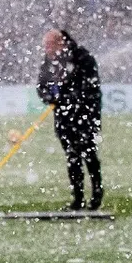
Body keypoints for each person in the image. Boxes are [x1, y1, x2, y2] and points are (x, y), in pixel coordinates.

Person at [36, 28, 102, 211]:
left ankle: (97, 193)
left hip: (85, 115)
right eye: (45, 46)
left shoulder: (82, 57)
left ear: (61, 43)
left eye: (49, 45)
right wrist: (49, 97)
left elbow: (91, 87)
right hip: (64, 117)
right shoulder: (49, 62)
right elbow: (41, 85)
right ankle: (78, 199)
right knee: (72, 157)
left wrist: (73, 99)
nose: (46, 49)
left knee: (89, 154)